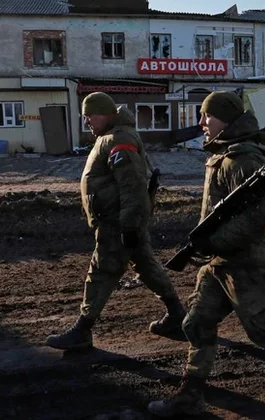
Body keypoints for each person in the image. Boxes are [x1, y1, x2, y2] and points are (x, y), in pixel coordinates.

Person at [147, 91, 265, 417]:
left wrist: (213, 243)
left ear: (226, 120)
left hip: (247, 264)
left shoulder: (244, 159)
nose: (202, 122)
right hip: (220, 261)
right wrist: (207, 245)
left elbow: (261, 217)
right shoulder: (225, 153)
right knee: (197, 322)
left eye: (208, 116)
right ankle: (191, 394)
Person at [45, 92, 186, 351]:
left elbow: (132, 187)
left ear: (106, 114)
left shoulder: (119, 139)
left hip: (117, 223)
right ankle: (177, 316)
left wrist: (129, 226)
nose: (86, 120)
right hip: (122, 221)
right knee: (146, 266)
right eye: (84, 115)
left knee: (101, 271)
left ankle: (83, 329)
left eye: (90, 115)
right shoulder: (111, 137)